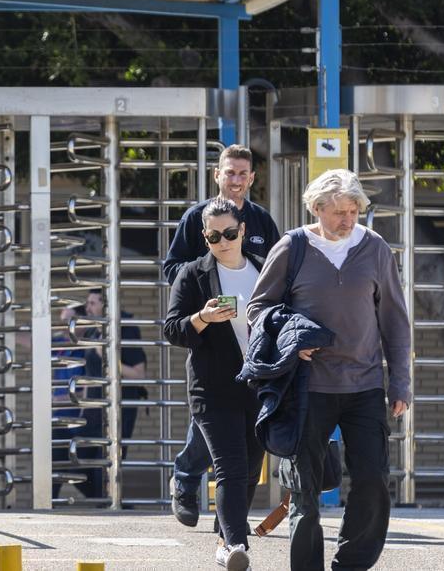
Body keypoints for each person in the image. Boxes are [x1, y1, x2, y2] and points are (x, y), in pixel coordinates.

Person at [247, 169, 411, 571]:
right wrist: (290, 341)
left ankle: (350, 564)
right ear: (316, 208)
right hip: (307, 387)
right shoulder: (293, 247)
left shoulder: (374, 248)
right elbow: (258, 309)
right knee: (305, 489)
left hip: (365, 384)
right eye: (339, 212)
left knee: (372, 479)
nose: (348, 220)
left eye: (354, 211)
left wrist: (401, 383)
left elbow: (394, 320)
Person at [161, 144, 280, 527]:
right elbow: (173, 267)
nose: (236, 179)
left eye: (243, 173)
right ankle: (186, 476)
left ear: (252, 178)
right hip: (210, 336)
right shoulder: (197, 218)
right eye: (230, 172)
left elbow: (278, 272)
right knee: (213, 422)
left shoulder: (262, 221)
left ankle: (226, 519)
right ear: (217, 175)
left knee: (239, 438)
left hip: (254, 350)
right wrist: (202, 293)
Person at [163, 198, 266, 571]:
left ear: (243, 231)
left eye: (229, 233)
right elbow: (172, 329)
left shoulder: (263, 269)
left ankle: (225, 537)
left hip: (258, 386)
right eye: (213, 236)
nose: (222, 241)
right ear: (204, 238)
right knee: (230, 467)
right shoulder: (193, 274)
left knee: (252, 467)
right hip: (212, 388)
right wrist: (203, 317)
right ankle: (236, 544)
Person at [52, 289, 147, 501]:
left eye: (93, 303)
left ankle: (107, 504)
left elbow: (139, 374)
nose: (88, 308)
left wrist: (109, 358)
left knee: (103, 463)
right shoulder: (96, 332)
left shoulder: (126, 329)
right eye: (87, 303)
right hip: (93, 409)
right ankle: (99, 501)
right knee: (74, 456)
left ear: (108, 305)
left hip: (118, 409)